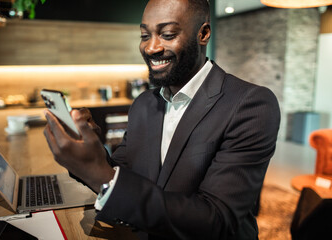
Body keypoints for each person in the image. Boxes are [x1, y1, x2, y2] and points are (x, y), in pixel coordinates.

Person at [43, 0, 281, 239]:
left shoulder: (250, 104)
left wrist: (99, 173)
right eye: (145, 35)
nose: (151, 48)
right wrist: (92, 153)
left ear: (204, 34)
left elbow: (216, 219)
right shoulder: (144, 103)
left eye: (167, 34)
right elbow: (122, 174)